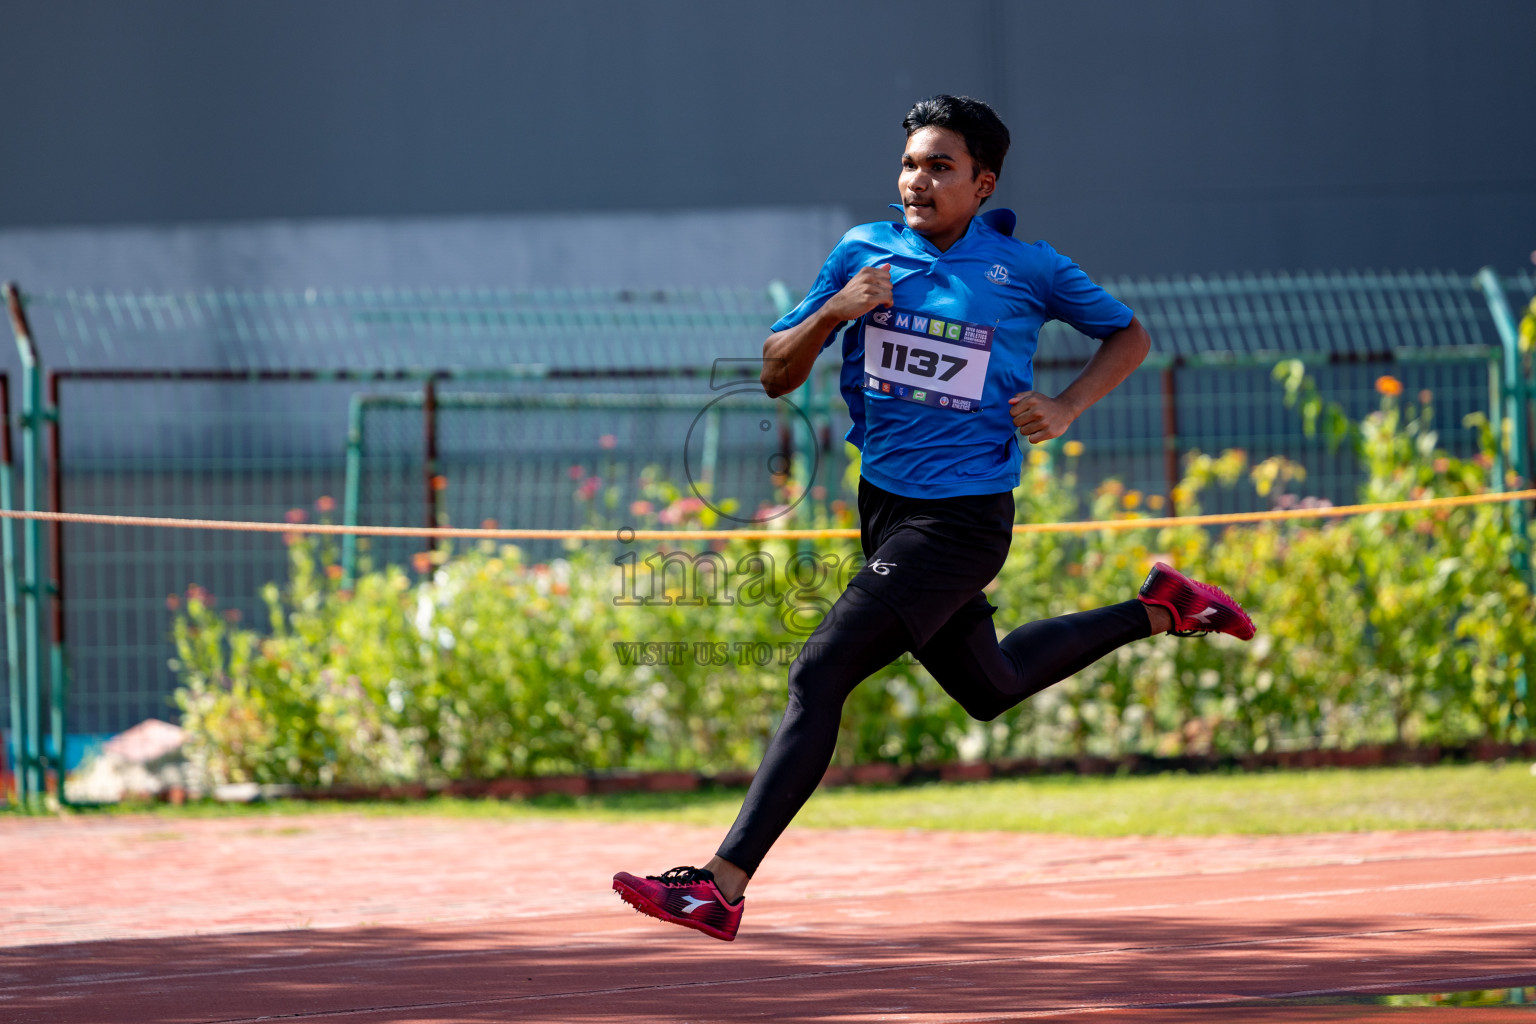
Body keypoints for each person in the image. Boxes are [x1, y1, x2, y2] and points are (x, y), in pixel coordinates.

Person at [613, 95, 1253, 942]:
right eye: (911, 163)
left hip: (962, 521)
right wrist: (835, 311)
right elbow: (774, 372)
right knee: (990, 687)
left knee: (819, 673)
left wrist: (1065, 406)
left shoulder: (1028, 269)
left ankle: (721, 885)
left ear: (982, 183)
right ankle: (1165, 606)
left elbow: (1128, 337)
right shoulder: (862, 253)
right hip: (884, 509)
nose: (918, 180)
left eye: (940, 166)